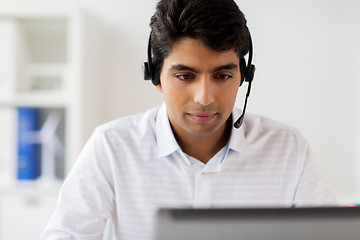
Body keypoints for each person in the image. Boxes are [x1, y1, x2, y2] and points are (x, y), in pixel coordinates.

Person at [41, 0, 337, 239]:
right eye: (185, 75)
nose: (204, 97)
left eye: (223, 75)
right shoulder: (111, 146)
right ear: (155, 75)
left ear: (244, 76)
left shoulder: (289, 149)